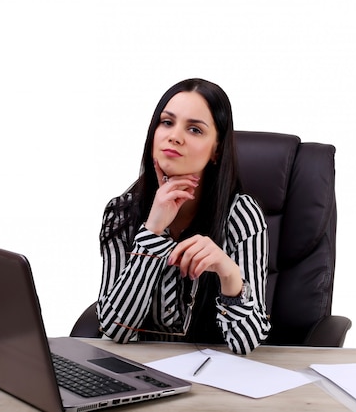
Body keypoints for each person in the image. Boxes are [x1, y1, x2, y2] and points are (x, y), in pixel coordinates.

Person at [96, 78, 270, 354]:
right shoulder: (121, 214)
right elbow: (115, 329)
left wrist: (228, 272)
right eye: (167, 122)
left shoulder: (241, 215)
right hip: (141, 375)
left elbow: (245, 343)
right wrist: (152, 231)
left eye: (194, 129)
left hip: (215, 379)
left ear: (217, 150)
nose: (174, 136)